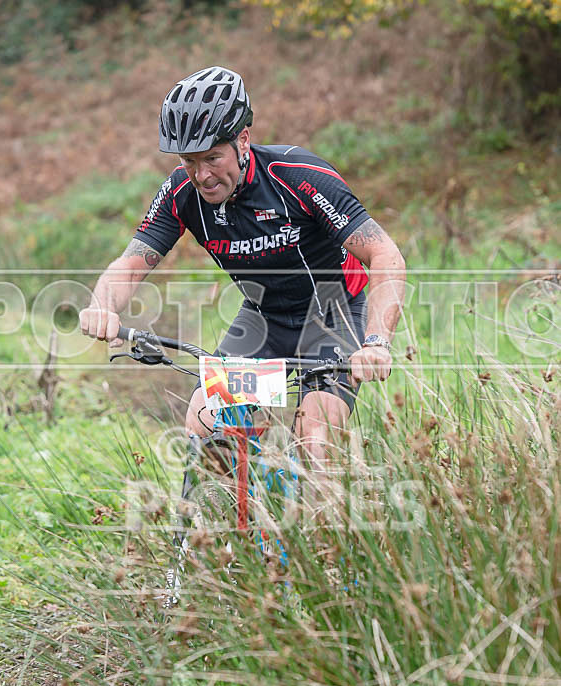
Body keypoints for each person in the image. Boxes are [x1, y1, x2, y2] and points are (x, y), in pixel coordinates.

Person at [79, 66, 405, 463]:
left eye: (213, 157)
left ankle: (318, 523)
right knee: (204, 425)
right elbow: (130, 264)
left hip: (334, 316)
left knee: (315, 442)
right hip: (263, 321)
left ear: (243, 140)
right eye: (189, 161)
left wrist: (375, 343)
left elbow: (385, 255)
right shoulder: (181, 193)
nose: (202, 175)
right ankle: (228, 522)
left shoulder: (297, 177)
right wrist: (102, 306)